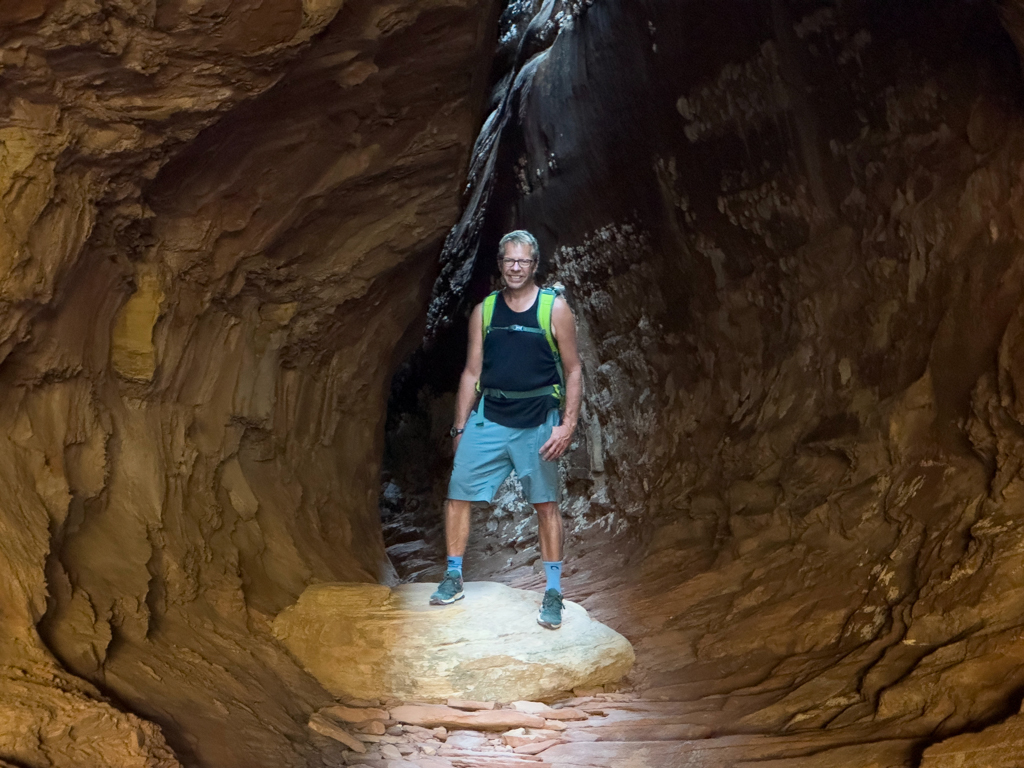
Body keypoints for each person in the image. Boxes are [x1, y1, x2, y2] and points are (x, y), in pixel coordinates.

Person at [429, 230, 582, 629]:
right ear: (500, 264)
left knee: (546, 504)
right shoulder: (486, 311)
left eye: (523, 261)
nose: (516, 268)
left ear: (534, 265)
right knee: (457, 492)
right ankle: (453, 575)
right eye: (509, 261)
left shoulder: (554, 309)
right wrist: (460, 427)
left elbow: (573, 369)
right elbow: (472, 372)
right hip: (491, 415)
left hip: (538, 420)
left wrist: (567, 425)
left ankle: (552, 591)